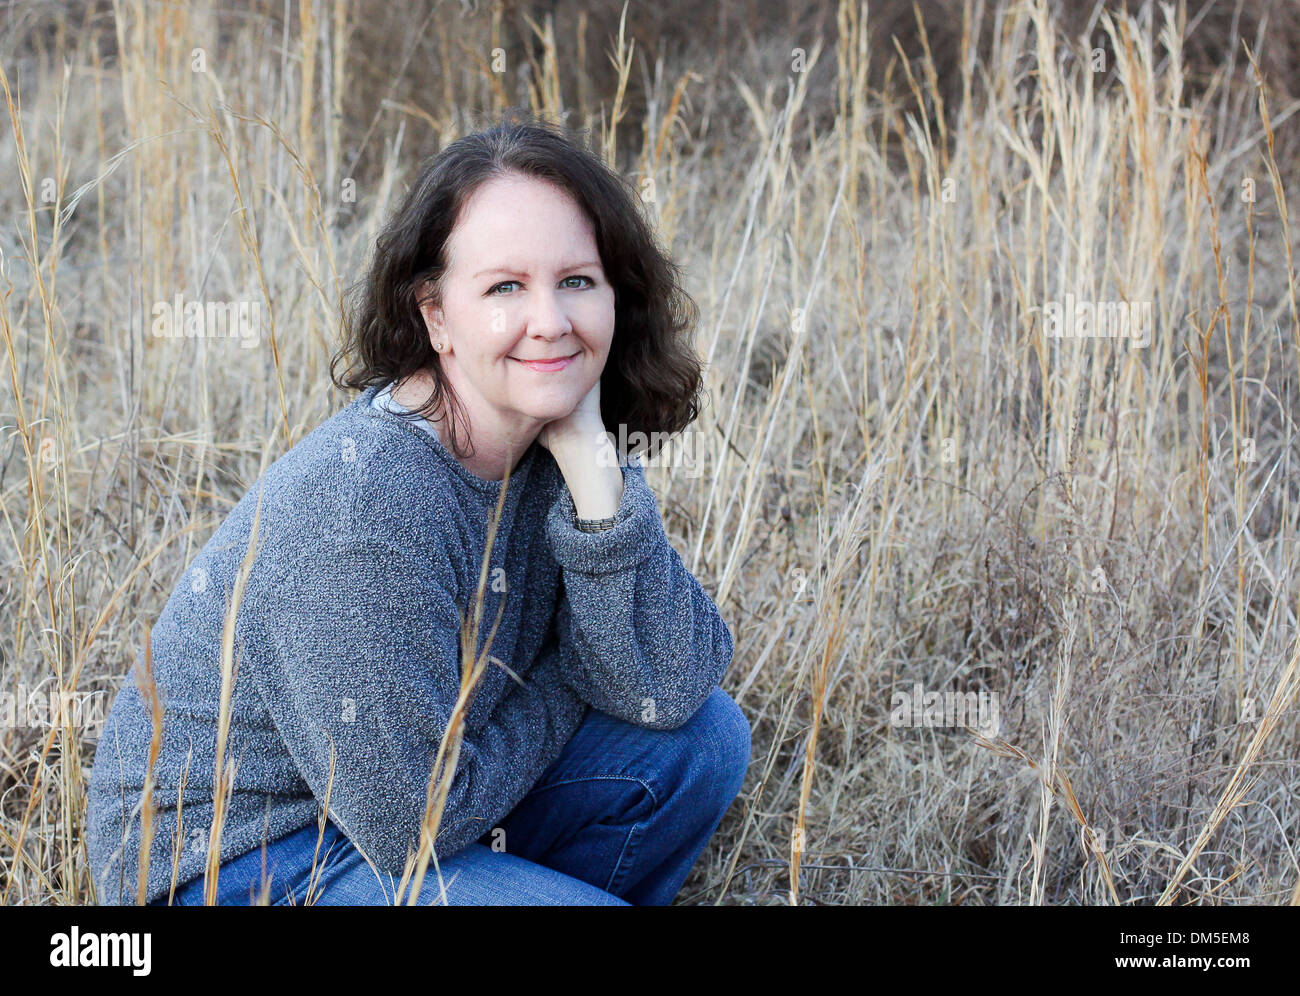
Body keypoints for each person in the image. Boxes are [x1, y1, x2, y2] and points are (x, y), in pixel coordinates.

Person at [85, 114, 750, 906]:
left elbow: (670, 685)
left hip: (418, 799)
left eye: (577, 280)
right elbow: (412, 827)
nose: (552, 321)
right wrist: (573, 675)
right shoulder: (364, 506)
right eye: (505, 286)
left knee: (703, 743)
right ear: (436, 315)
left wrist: (599, 492)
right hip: (246, 855)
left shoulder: (562, 428)